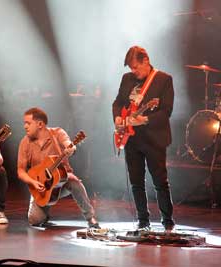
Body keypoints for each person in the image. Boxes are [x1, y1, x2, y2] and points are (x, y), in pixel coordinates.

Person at [112, 46, 175, 231]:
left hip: (154, 138)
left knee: (160, 181)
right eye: (131, 68)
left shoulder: (163, 79)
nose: (133, 71)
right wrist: (117, 117)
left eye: (136, 67)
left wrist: (145, 119)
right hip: (130, 138)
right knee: (136, 182)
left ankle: (167, 222)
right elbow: (118, 102)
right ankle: (142, 220)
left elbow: (166, 111)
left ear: (145, 60)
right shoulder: (127, 79)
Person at [17, 107, 100, 228]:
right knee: (34, 220)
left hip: (62, 180)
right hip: (41, 185)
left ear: (40, 124)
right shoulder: (25, 143)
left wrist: (71, 148)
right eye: (24, 123)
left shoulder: (57, 133)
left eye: (28, 123)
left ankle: (90, 218)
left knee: (74, 181)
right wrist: (33, 182)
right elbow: (20, 170)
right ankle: (44, 210)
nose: (25, 126)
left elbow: (69, 144)